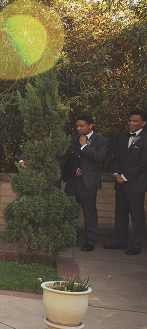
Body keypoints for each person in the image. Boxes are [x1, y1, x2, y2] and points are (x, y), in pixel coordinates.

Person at [61, 115, 108, 251]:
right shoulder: (73, 139)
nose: (78, 128)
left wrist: (84, 146)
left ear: (90, 125)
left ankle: (90, 242)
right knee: (70, 211)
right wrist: (73, 171)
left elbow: (99, 158)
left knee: (90, 213)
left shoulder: (101, 140)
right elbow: (67, 159)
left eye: (81, 126)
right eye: (77, 126)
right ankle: (71, 238)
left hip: (88, 183)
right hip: (72, 182)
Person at [105, 109, 147, 256]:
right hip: (120, 183)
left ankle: (136, 244)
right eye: (130, 120)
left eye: (135, 121)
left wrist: (124, 176)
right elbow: (116, 158)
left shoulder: (145, 139)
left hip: (135, 185)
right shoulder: (123, 138)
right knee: (120, 214)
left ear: (143, 123)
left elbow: (143, 163)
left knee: (137, 215)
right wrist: (116, 173)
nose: (131, 123)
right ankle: (120, 241)